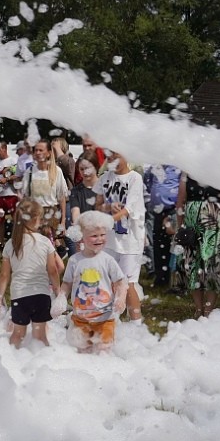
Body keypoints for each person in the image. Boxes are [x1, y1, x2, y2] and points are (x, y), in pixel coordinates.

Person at [0, 199, 62, 348]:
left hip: (19, 295)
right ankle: (44, 364)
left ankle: (11, 362)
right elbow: (52, 270)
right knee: (40, 336)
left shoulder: (11, 244)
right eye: (40, 218)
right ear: (34, 220)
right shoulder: (45, 242)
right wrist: (58, 292)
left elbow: (4, 275)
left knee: (17, 335)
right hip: (41, 295)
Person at [59, 211, 126, 354]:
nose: (99, 239)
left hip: (105, 318)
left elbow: (121, 282)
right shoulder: (75, 261)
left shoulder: (108, 260)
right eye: (94, 236)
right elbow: (66, 283)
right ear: (82, 237)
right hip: (80, 318)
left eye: (102, 235)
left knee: (104, 352)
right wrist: (60, 298)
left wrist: (121, 299)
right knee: (83, 353)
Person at [172, 173, 220, 319]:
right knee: (191, 265)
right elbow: (180, 202)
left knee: (212, 266)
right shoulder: (187, 172)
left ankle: (208, 309)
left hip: (212, 225)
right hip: (190, 226)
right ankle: (198, 308)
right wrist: (180, 227)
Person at [96, 150, 145, 321]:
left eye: (115, 157)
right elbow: (97, 205)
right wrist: (108, 208)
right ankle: (111, 319)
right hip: (110, 240)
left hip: (130, 240)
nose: (112, 161)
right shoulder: (105, 177)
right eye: (109, 158)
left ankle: (136, 323)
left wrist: (108, 220)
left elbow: (128, 209)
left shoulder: (134, 178)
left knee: (127, 284)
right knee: (110, 281)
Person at [143, 163, 181, 289]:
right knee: (159, 244)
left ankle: (175, 280)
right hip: (157, 211)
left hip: (173, 210)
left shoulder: (178, 168)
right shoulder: (154, 167)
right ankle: (161, 278)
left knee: (173, 246)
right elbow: (147, 183)